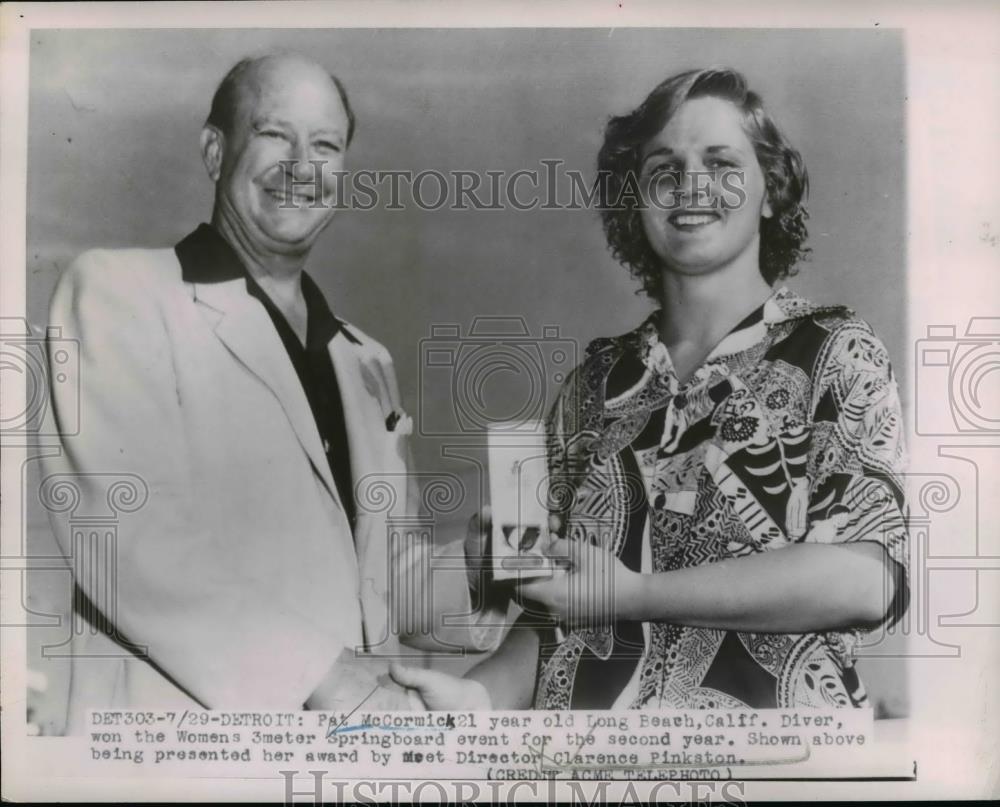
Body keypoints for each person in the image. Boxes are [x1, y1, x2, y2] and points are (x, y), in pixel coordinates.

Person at [401, 67, 909, 710]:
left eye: (722, 162)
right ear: (635, 202)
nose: (691, 185)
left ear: (771, 191)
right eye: (664, 168)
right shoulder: (594, 386)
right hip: (588, 771)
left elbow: (866, 581)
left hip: (770, 771)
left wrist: (632, 594)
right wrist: (474, 698)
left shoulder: (834, 350)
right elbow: (553, 624)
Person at [41, 53, 493, 732]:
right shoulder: (117, 292)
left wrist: (482, 569)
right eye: (276, 135)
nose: (302, 164)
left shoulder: (364, 360)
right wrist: (327, 675)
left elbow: (385, 587)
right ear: (214, 150)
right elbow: (130, 538)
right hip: (174, 752)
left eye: (326, 145)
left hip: (345, 755)